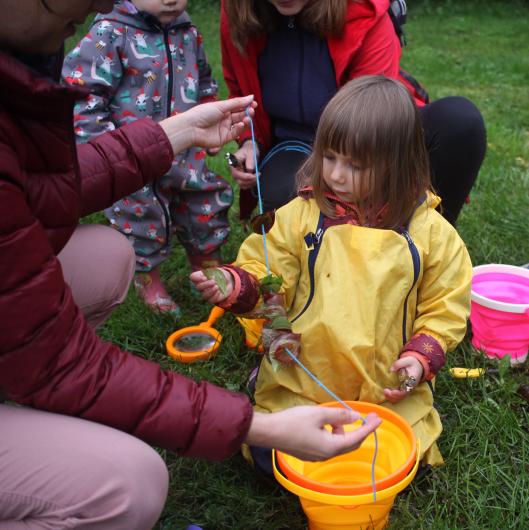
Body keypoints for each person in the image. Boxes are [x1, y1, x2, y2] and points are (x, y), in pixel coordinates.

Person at [0, 1, 381, 528]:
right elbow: (63, 362)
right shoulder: (296, 220)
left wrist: (173, 133)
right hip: (44, 353)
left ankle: (39, 414)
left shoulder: (424, 239)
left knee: (110, 254)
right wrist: (262, 423)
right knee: (129, 485)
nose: (99, 4)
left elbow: (43, 187)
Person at [191, 75, 473, 475]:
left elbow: (446, 304)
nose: (336, 175)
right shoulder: (300, 215)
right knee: (270, 456)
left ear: (397, 164)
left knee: (403, 459)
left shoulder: (431, 234)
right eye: (330, 157)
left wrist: (419, 357)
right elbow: (271, 274)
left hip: (384, 386)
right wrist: (238, 283)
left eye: (354, 165)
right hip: (304, 378)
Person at [221, 0, 486, 225]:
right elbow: (240, 89)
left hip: (376, 130)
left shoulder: (366, 11)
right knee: (286, 197)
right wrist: (248, 140)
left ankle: (430, 241)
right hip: (296, 146)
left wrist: (351, 174)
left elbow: (372, 118)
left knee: (460, 122)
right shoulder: (240, 12)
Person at [62, 0, 233, 315]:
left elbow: (205, 78)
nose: (170, 0)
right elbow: (82, 94)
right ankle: (148, 279)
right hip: (132, 160)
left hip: (186, 150)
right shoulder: (109, 32)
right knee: (140, 218)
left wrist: (209, 109)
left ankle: (207, 265)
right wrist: (103, 145)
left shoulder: (187, 30)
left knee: (202, 204)